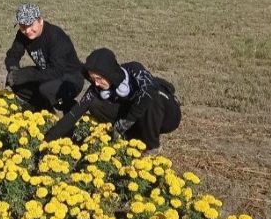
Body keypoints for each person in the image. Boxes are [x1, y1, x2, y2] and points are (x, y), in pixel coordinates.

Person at [43, 48, 181, 152]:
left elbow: (149, 89)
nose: (96, 83)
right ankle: (130, 137)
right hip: (137, 119)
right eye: (92, 79)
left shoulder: (134, 69)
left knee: (150, 96)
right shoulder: (96, 90)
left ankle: (151, 147)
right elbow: (73, 115)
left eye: (99, 78)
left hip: (167, 115)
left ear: (110, 74)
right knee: (94, 104)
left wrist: (126, 121)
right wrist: (46, 140)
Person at [4, 4, 84, 113]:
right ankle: (44, 110)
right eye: (23, 26)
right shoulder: (22, 35)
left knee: (46, 89)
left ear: (40, 21)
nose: (27, 31)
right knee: (14, 80)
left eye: (30, 25)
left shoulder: (56, 36)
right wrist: (13, 70)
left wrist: (28, 75)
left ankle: (69, 107)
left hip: (70, 78)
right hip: (47, 73)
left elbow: (57, 70)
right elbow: (13, 55)